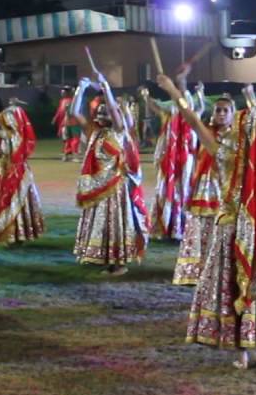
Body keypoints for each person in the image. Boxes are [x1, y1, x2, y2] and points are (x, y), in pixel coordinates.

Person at [155, 73, 256, 370]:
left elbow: (191, 119)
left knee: (235, 287)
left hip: (231, 229)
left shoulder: (224, 152)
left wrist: (173, 90)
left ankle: (243, 353)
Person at [72, 74, 148, 275]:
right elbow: (74, 112)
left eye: (105, 112)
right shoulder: (94, 131)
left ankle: (119, 264)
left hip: (114, 188)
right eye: (99, 111)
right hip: (97, 188)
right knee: (100, 224)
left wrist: (106, 88)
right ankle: (102, 257)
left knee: (115, 225)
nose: (101, 114)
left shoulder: (118, 131)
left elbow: (115, 112)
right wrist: (81, 89)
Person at [173, 94, 236, 286]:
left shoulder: (237, 136)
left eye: (226, 110)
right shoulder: (205, 133)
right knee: (199, 226)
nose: (221, 114)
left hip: (225, 187)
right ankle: (194, 271)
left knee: (221, 229)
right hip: (203, 186)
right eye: (218, 110)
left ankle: (219, 270)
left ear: (232, 114)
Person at [141, 68, 200, 243]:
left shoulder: (192, 116)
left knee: (184, 189)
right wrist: (146, 97)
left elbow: (185, 103)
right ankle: (167, 225)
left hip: (186, 160)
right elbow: (156, 108)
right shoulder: (168, 115)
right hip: (168, 160)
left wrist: (182, 85)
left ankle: (182, 226)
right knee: (166, 190)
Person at [0, 99, 46, 245]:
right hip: (14, 171)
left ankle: (11, 235)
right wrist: (1, 153)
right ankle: (18, 234)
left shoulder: (9, 135)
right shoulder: (17, 135)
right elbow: (10, 151)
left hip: (12, 173)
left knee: (10, 202)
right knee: (17, 202)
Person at [52, 87, 83, 162]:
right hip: (73, 123)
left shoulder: (71, 101)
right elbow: (62, 111)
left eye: (64, 92)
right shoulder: (71, 101)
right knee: (74, 139)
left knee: (69, 139)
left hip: (68, 122)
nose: (62, 93)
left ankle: (67, 155)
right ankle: (74, 155)